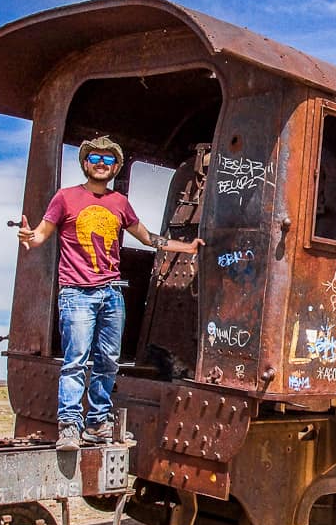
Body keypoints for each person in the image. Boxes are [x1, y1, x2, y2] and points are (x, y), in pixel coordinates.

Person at [18, 136, 205, 451]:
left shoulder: (119, 203)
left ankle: (98, 422)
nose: (101, 165)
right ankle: (69, 426)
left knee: (108, 360)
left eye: (108, 160)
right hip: (77, 293)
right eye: (96, 159)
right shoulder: (64, 199)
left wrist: (185, 246)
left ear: (116, 167)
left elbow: (146, 238)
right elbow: (41, 235)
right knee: (76, 360)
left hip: (110, 293)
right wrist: (29, 237)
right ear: (86, 164)